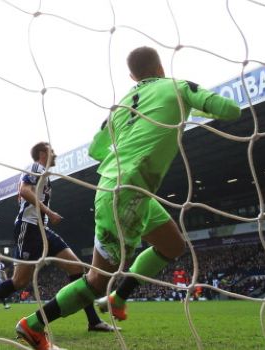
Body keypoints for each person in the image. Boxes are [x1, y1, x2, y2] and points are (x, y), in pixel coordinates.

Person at [14, 46, 241, 349]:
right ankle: (33, 324)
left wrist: (128, 147)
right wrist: (187, 107)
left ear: (133, 76)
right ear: (161, 66)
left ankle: (118, 298)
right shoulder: (178, 87)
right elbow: (231, 110)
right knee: (96, 279)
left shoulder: (121, 107)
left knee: (173, 245)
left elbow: (96, 149)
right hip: (126, 193)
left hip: (127, 190)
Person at [0, 142, 117, 333]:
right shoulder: (35, 167)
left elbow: (24, 192)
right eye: (51, 151)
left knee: (76, 267)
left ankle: (93, 321)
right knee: (19, 282)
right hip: (28, 229)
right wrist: (49, 211)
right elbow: (23, 190)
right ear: (42, 154)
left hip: (42, 230)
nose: (55, 154)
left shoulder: (45, 176)